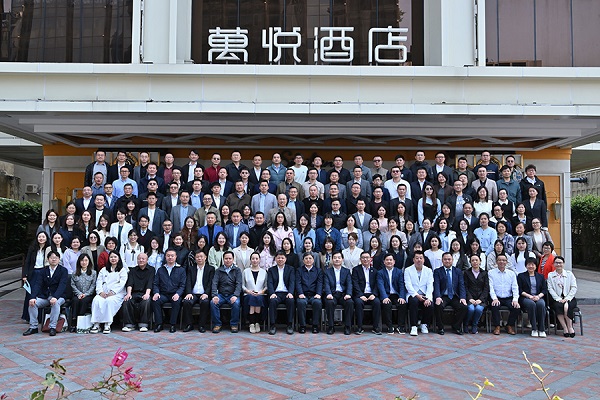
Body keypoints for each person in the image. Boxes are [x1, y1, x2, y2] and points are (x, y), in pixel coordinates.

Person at [23, 251, 69, 337]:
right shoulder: (43, 271)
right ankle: (33, 327)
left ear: (59, 259)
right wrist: (33, 297)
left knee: (55, 303)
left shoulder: (63, 270)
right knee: (33, 303)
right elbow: (38, 285)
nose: (54, 259)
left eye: (56, 258)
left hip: (59, 296)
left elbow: (62, 285)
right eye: (51, 257)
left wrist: (55, 297)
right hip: (45, 296)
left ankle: (52, 327)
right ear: (48, 259)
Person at [90, 251, 128, 334]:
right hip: (103, 293)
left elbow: (122, 283)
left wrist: (112, 292)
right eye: (111, 257)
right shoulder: (103, 270)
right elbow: (99, 282)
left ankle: (107, 324)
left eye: (115, 257)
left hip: (117, 294)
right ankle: (96, 324)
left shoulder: (122, 270)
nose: (113, 259)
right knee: (96, 300)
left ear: (119, 258)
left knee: (109, 301)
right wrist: (100, 292)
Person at [152, 248, 186, 333]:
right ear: (165, 257)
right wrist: (156, 293)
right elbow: (155, 283)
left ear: (176, 257)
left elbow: (182, 285)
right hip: (163, 294)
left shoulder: (181, 270)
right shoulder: (161, 269)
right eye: (168, 256)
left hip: (175, 294)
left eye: (172, 256)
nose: (170, 257)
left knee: (176, 301)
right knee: (156, 300)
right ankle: (159, 324)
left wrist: (178, 294)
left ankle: (172, 324)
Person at [433, 252, 468, 335]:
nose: (447, 261)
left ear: (452, 260)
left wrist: (463, 297)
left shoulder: (458, 271)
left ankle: (456, 327)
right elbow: (436, 285)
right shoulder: (437, 271)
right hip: (443, 296)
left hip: (455, 296)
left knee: (463, 307)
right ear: (442, 260)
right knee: (438, 306)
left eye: (449, 259)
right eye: (445, 259)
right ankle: (440, 328)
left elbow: (461, 285)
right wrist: (437, 296)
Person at [182, 250, 215, 333]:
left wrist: (206, 293)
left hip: (204, 293)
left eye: (201, 256)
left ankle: (201, 325)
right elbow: (188, 281)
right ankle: (189, 324)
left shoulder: (210, 269)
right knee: (186, 302)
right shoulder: (191, 269)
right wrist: (188, 293)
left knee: (205, 302)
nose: (199, 258)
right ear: (195, 258)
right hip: (193, 294)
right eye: (197, 257)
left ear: (205, 257)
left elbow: (210, 283)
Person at [121, 253, 155, 332]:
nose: (141, 260)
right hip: (134, 293)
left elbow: (150, 282)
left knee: (146, 301)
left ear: (147, 260)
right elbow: (130, 283)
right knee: (127, 301)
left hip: (145, 292)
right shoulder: (133, 270)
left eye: (143, 259)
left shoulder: (151, 270)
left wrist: (147, 294)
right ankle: (129, 324)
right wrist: (128, 294)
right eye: (139, 259)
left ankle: (143, 324)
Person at [323, 251, 354, 335]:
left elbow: (349, 284)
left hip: (343, 294)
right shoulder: (327, 271)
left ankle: (347, 326)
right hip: (332, 294)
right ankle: (331, 326)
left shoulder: (346, 271)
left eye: (339, 258)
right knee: (329, 302)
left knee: (350, 302)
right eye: (335, 258)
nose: (337, 259)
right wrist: (328, 293)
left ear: (342, 259)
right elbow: (326, 284)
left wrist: (348, 294)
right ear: (332, 259)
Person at [404, 250, 434, 336]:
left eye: (421, 258)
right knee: (414, 302)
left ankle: (424, 324)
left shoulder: (428, 270)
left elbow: (430, 285)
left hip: (424, 294)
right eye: (417, 258)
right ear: (413, 259)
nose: (419, 260)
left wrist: (428, 298)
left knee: (430, 305)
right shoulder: (408, 270)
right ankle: (414, 326)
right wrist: (416, 295)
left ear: (424, 260)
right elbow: (408, 285)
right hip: (413, 294)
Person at [488, 254, 520, 335]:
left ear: (506, 262)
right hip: (496, 297)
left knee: (516, 307)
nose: (501, 262)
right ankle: (497, 326)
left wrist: (515, 300)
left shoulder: (511, 273)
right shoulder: (491, 273)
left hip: (508, 297)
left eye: (503, 260)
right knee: (494, 306)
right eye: (499, 260)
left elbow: (515, 287)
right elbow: (490, 287)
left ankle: (509, 325)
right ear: (496, 262)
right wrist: (494, 298)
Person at [22, 231, 50, 320]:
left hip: (43, 272)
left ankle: (40, 317)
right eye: (39, 237)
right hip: (33, 272)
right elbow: (27, 262)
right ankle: (28, 317)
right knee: (30, 294)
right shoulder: (32, 248)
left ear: (46, 238)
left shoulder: (48, 249)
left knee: (41, 294)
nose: (41, 238)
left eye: (43, 237)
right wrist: (24, 275)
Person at [547, 256, 577, 337]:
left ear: (563, 264)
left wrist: (567, 298)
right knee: (558, 306)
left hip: (569, 298)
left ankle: (570, 327)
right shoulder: (550, 275)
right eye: (556, 263)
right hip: (557, 299)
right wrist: (558, 299)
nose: (558, 264)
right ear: (553, 264)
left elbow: (574, 287)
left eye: (560, 263)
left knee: (567, 307)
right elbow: (550, 289)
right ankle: (565, 328)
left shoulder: (569, 274)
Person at [352, 252, 382, 335]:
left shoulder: (375, 271)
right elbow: (355, 283)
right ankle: (359, 327)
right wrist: (360, 295)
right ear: (360, 259)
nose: (365, 259)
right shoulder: (356, 270)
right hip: (360, 294)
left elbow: (377, 284)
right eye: (363, 258)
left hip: (371, 294)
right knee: (358, 303)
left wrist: (374, 294)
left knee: (377, 302)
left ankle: (376, 327)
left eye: (367, 257)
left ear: (370, 259)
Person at [377, 253, 408, 335]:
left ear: (394, 261)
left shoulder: (399, 272)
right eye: (387, 260)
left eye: (391, 260)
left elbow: (402, 285)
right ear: (384, 262)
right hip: (386, 294)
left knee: (402, 304)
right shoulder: (380, 272)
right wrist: (384, 297)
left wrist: (402, 297)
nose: (389, 261)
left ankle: (400, 326)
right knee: (386, 304)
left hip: (396, 294)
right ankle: (389, 326)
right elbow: (380, 286)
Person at [267, 251, 296, 335]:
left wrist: (290, 293)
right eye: (278, 258)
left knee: (291, 301)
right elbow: (270, 283)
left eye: (282, 258)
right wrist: (272, 293)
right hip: (276, 293)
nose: (280, 259)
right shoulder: (271, 270)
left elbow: (292, 282)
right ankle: (272, 325)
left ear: (285, 259)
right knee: (272, 301)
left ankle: (289, 324)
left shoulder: (290, 269)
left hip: (287, 293)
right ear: (275, 259)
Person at [517, 257, 548, 338]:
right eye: (529, 264)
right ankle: (534, 328)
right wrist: (529, 296)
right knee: (531, 304)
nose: (531, 266)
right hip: (526, 298)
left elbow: (544, 290)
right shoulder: (521, 276)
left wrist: (538, 296)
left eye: (533, 264)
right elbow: (519, 290)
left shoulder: (541, 276)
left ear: (536, 266)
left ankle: (541, 329)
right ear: (526, 266)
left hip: (538, 297)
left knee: (541, 304)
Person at [295, 252, 323, 333]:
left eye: (310, 258)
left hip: (314, 295)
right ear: (303, 261)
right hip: (303, 295)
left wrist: (318, 294)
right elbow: (298, 283)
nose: (308, 260)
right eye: (306, 258)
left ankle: (315, 326)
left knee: (317, 303)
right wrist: (300, 293)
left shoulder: (318, 271)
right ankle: (302, 326)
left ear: (313, 260)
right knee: (301, 303)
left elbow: (320, 283)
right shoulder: (299, 270)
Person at [69, 254, 97, 332]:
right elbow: (73, 285)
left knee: (84, 301)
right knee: (75, 300)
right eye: (82, 260)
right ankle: (73, 320)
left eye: (86, 260)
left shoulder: (93, 273)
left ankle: (80, 319)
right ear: (79, 262)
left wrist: (86, 294)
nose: (84, 262)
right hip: (78, 294)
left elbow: (93, 285)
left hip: (88, 295)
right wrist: (79, 294)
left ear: (89, 262)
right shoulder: (74, 273)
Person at [242, 252, 267, 333]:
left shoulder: (264, 272)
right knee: (252, 298)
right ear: (250, 260)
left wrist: (261, 292)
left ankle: (257, 323)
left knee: (258, 298)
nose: (255, 260)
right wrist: (248, 291)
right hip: (248, 294)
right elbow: (242, 285)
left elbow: (266, 286)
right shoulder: (245, 271)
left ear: (259, 260)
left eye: (256, 258)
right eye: (253, 259)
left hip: (261, 294)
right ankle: (252, 323)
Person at [463, 254, 488, 334]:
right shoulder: (466, 273)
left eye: (476, 260)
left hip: (481, 299)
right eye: (472, 260)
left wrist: (480, 299)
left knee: (478, 309)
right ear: (470, 262)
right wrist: (470, 298)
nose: (475, 262)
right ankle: (466, 324)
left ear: (480, 261)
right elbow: (465, 287)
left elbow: (486, 288)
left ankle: (475, 325)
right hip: (469, 298)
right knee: (471, 309)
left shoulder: (484, 273)